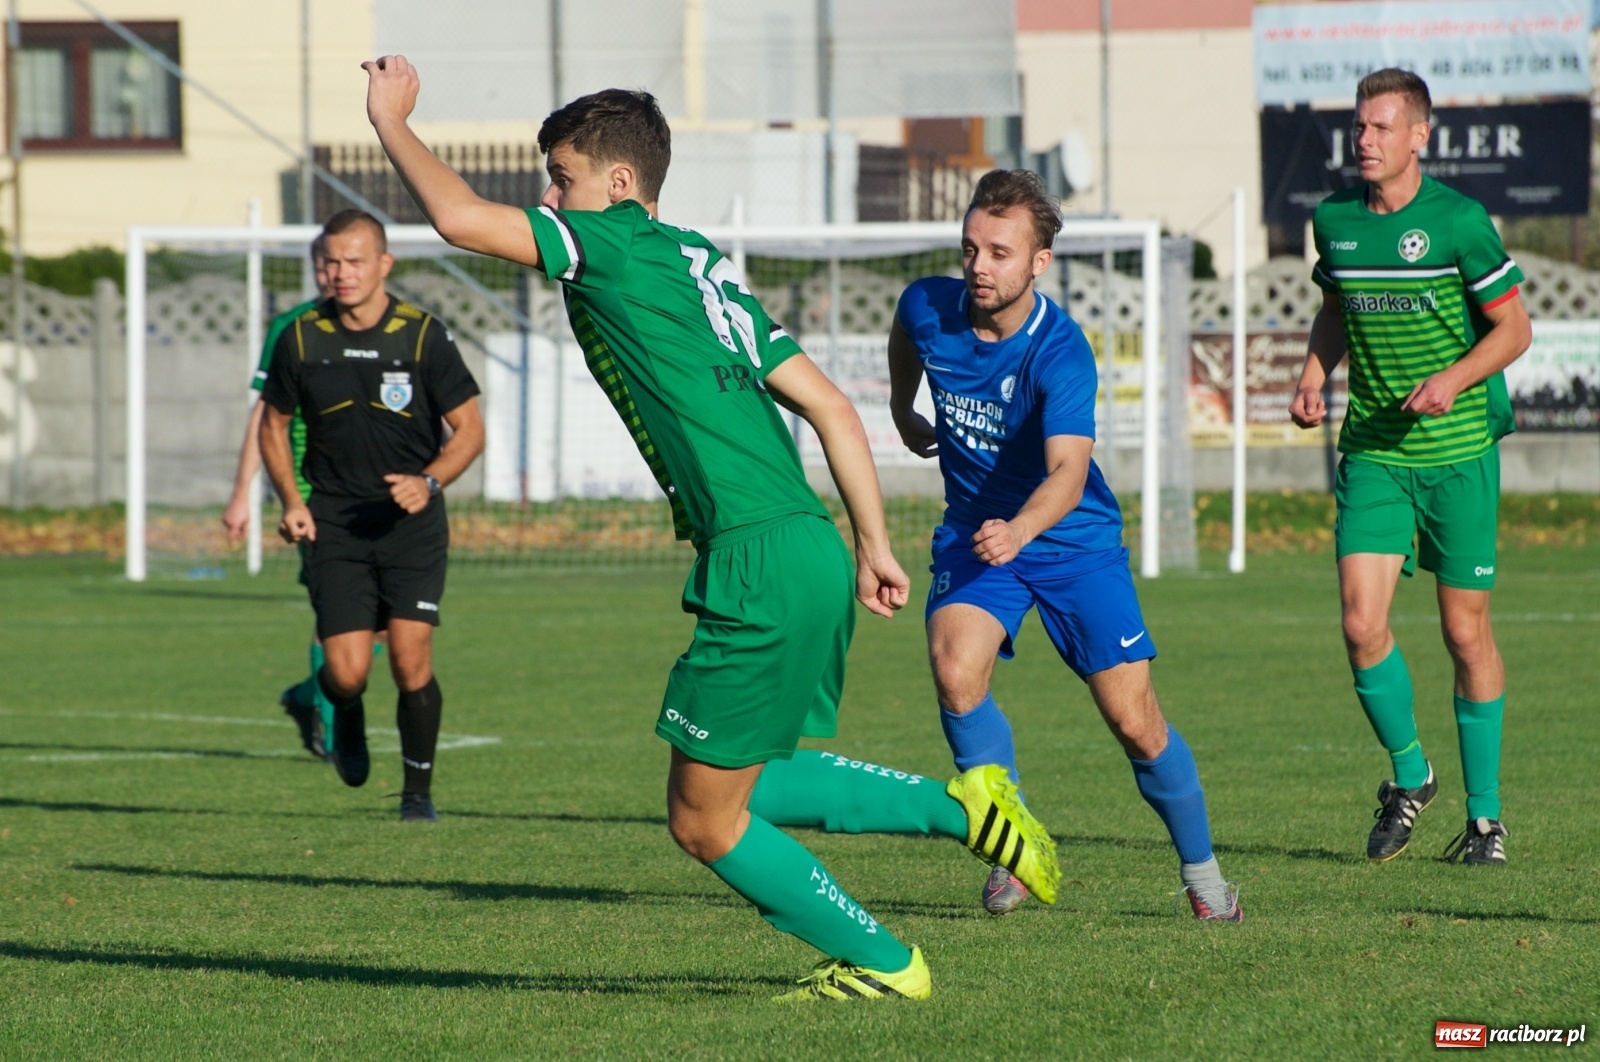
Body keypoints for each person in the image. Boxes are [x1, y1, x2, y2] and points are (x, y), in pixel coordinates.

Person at [363, 56, 1061, 1002]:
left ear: (617, 185)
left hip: (759, 559)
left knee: (701, 821)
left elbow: (455, 219)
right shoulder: (698, 267)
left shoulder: (608, 243)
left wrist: (392, 119)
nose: (546, 198)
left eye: (558, 178)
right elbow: (835, 411)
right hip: (807, 544)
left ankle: (886, 963)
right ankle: (971, 807)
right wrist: (871, 545)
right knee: (751, 782)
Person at [888, 169, 1242, 921]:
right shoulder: (929, 305)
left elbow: (1067, 470)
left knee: (1134, 719)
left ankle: (1205, 876)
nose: (979, 266)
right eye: (971, 247)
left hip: (1070, 539)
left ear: (1038, 262)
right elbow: (904, 335)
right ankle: (1013, 850)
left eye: (1000, 253)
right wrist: (901, 408)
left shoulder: (1061, 352)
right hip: (975, 533)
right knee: (956, 672)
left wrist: (1020, 530)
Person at [1289, 69, 1530, 866]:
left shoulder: (1459, 222)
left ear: (1419, 137)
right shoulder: (1336, 222)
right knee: (1361, 624)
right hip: (1375, 455)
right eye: (1359, 127)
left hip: (1458, 457)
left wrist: (1454, 380)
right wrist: (1312, 373)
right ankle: (1411, 778)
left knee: (1466, 633)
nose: (1365, 140)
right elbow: (1335, 308)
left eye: (1382, 128)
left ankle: (1487, 821)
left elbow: (1514, 330)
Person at [260, 208, 486, 823]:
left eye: (355, 260)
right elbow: (273, 425)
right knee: (347, 672)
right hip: (335, 526)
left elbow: (469, 430)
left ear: (384, 264)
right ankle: (338, 709)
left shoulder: (421, 336)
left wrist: (430, 481)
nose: (341, 272)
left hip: (411, 525)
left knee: (412, 660)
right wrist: (292, 502)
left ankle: (418, 795)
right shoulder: (301, 337)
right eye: (330, 261)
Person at [222, 237, 355, 760]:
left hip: (369, 491)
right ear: (316, 269)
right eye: (325, 264)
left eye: (344, 262)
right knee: (338, 612)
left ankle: (306, 698)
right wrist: (242, 496)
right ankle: (333, 732)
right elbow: (264, 414)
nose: (333, 274)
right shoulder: (292, 327)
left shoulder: (390, 325)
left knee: (384, 625)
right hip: (310, 491)